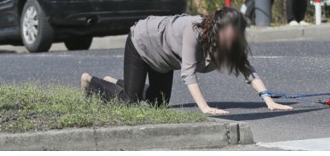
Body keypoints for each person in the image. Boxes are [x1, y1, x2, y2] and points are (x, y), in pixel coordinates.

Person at [80, 8, 293, 114]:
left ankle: (116, 83)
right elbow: (188, 72)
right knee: (130, 103)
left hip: (163, 59)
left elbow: (247, 69)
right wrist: (205, 107)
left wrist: (268, 100)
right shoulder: (195, 31)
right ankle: (92, 81)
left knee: (158, 104)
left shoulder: (229, 43)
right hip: (143, 42)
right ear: (218, 30)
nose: (235, 37)